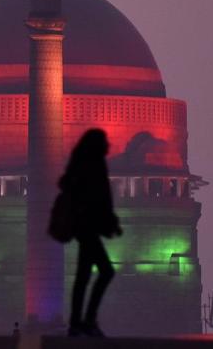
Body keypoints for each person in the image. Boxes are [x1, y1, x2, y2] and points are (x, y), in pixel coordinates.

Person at [59, 129, 122, 337]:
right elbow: (96, 198)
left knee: (83, 276)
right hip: (87, 229)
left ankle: (79, 323)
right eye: (104, 141)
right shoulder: (91, 165)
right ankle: (86, 320)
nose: (108, 145)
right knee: (105, 271)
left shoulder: (86, 164)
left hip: (85, 228)